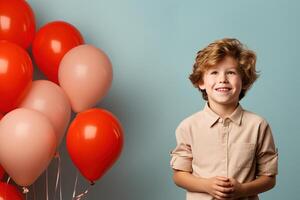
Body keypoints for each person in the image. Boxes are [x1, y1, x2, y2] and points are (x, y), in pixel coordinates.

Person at [170, 38, 278, 200]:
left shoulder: (258, 125)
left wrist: (242, 189)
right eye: (214, 72)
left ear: (244, 81)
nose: (223, 79)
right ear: (201, 82)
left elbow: (269, 179)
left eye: (231, 72)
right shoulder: (188, 126)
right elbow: (179, 175)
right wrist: (206, 185)